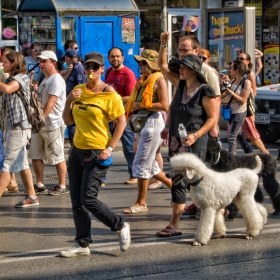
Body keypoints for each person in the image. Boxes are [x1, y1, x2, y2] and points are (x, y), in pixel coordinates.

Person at [60, 51, 130, 257]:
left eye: (95, 67)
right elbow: (68, 121)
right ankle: (83, 244)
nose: (91, 71)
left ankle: (119, 225)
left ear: (101, 69)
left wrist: (110, 147)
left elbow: (121, 122)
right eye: (88, 67)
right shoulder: (78, 90)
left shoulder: (110, 95)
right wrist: (69, 101)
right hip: (77, 151)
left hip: (97, 151)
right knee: (76, 203)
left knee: (88, 199)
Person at [156, 32, 220, 232]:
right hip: (177, 142)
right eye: (180, 66)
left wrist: (196, 135)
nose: (180, 69)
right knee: (178, 181)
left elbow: (212, 118)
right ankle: (174, 224)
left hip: (194, 142)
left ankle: (217, 213)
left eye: (184, 67)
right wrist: (163, 44)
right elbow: (163, 65)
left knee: (197, 182)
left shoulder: (205, 90)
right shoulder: (180, 84)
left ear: (193, 70)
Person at [123, 49, 172, 214]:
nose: (140, 65)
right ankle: (175, 188)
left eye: (143, 63)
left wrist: (143, 105)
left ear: (151, 64)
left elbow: (165, 105)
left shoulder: (159, 80)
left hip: (152, 122)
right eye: (140, 63)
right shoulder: (143, 80)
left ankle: (141, 202)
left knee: (142, 163)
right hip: (141, 122)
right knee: (150, 165)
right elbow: (133, 101)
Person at [0, 51, 38, 207]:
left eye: (5, 63)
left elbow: (8, 89)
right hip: (13, 127)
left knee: (8, 165)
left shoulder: (20, 78)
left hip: (19, 127)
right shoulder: (9, 79)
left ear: (13, 63)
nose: (3, 65)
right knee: (22, 164)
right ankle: (32, 196)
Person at [28, 51, 68, 196]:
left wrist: (41, 119)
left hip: (52, 124)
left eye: (45, 61)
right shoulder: (45, 79)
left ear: (54, 63)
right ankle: (40, 184)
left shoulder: (56, 80)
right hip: (40, 125)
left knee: (57, 156)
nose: (41, 64)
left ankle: (62, 185)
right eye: (40, 61)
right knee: (36, 154)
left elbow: (52, 102)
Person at [105, 47, 138, 185]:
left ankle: (135, 175)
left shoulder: (128, 74)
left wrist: (114, 99)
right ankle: (100, 178)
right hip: (109, 115)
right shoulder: (108, 71)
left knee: (129, 147)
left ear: (123, 57)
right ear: (108, 59)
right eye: (112, 56)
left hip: (125, 116)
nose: (115, 59)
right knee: (104, 145)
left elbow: (132, 97)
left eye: (118, 56)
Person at [236, 52, 268, 154]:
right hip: (237, 108)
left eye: (241, 59)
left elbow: (254, 92)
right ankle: (247, 153)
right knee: (235, 133)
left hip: (246, 108)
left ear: (247, 61)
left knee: (251, 133)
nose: (239, 60)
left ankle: (265, 153)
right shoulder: (238, 72)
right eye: (238, 58)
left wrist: (244, 97)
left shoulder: (249, 74)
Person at [221, 59, 251, 154]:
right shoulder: (233, 81)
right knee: (239, 136)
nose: (230, 70)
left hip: (239, 113)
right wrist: (223, 86)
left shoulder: (246, 82)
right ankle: (250, 154)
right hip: (231, 112)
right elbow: (224, 95)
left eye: (231, 68)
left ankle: (231, 159)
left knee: (232, 137)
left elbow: (243, 100)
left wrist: (231, 92)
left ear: (237, 70)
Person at [60, 49, 87, 146]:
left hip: (75, 103)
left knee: (73, 128)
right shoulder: (71, 69)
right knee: (70, 126)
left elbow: (81, 86)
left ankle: (76, 147)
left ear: (67, 58)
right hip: (69, 102)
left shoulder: (79, 69)